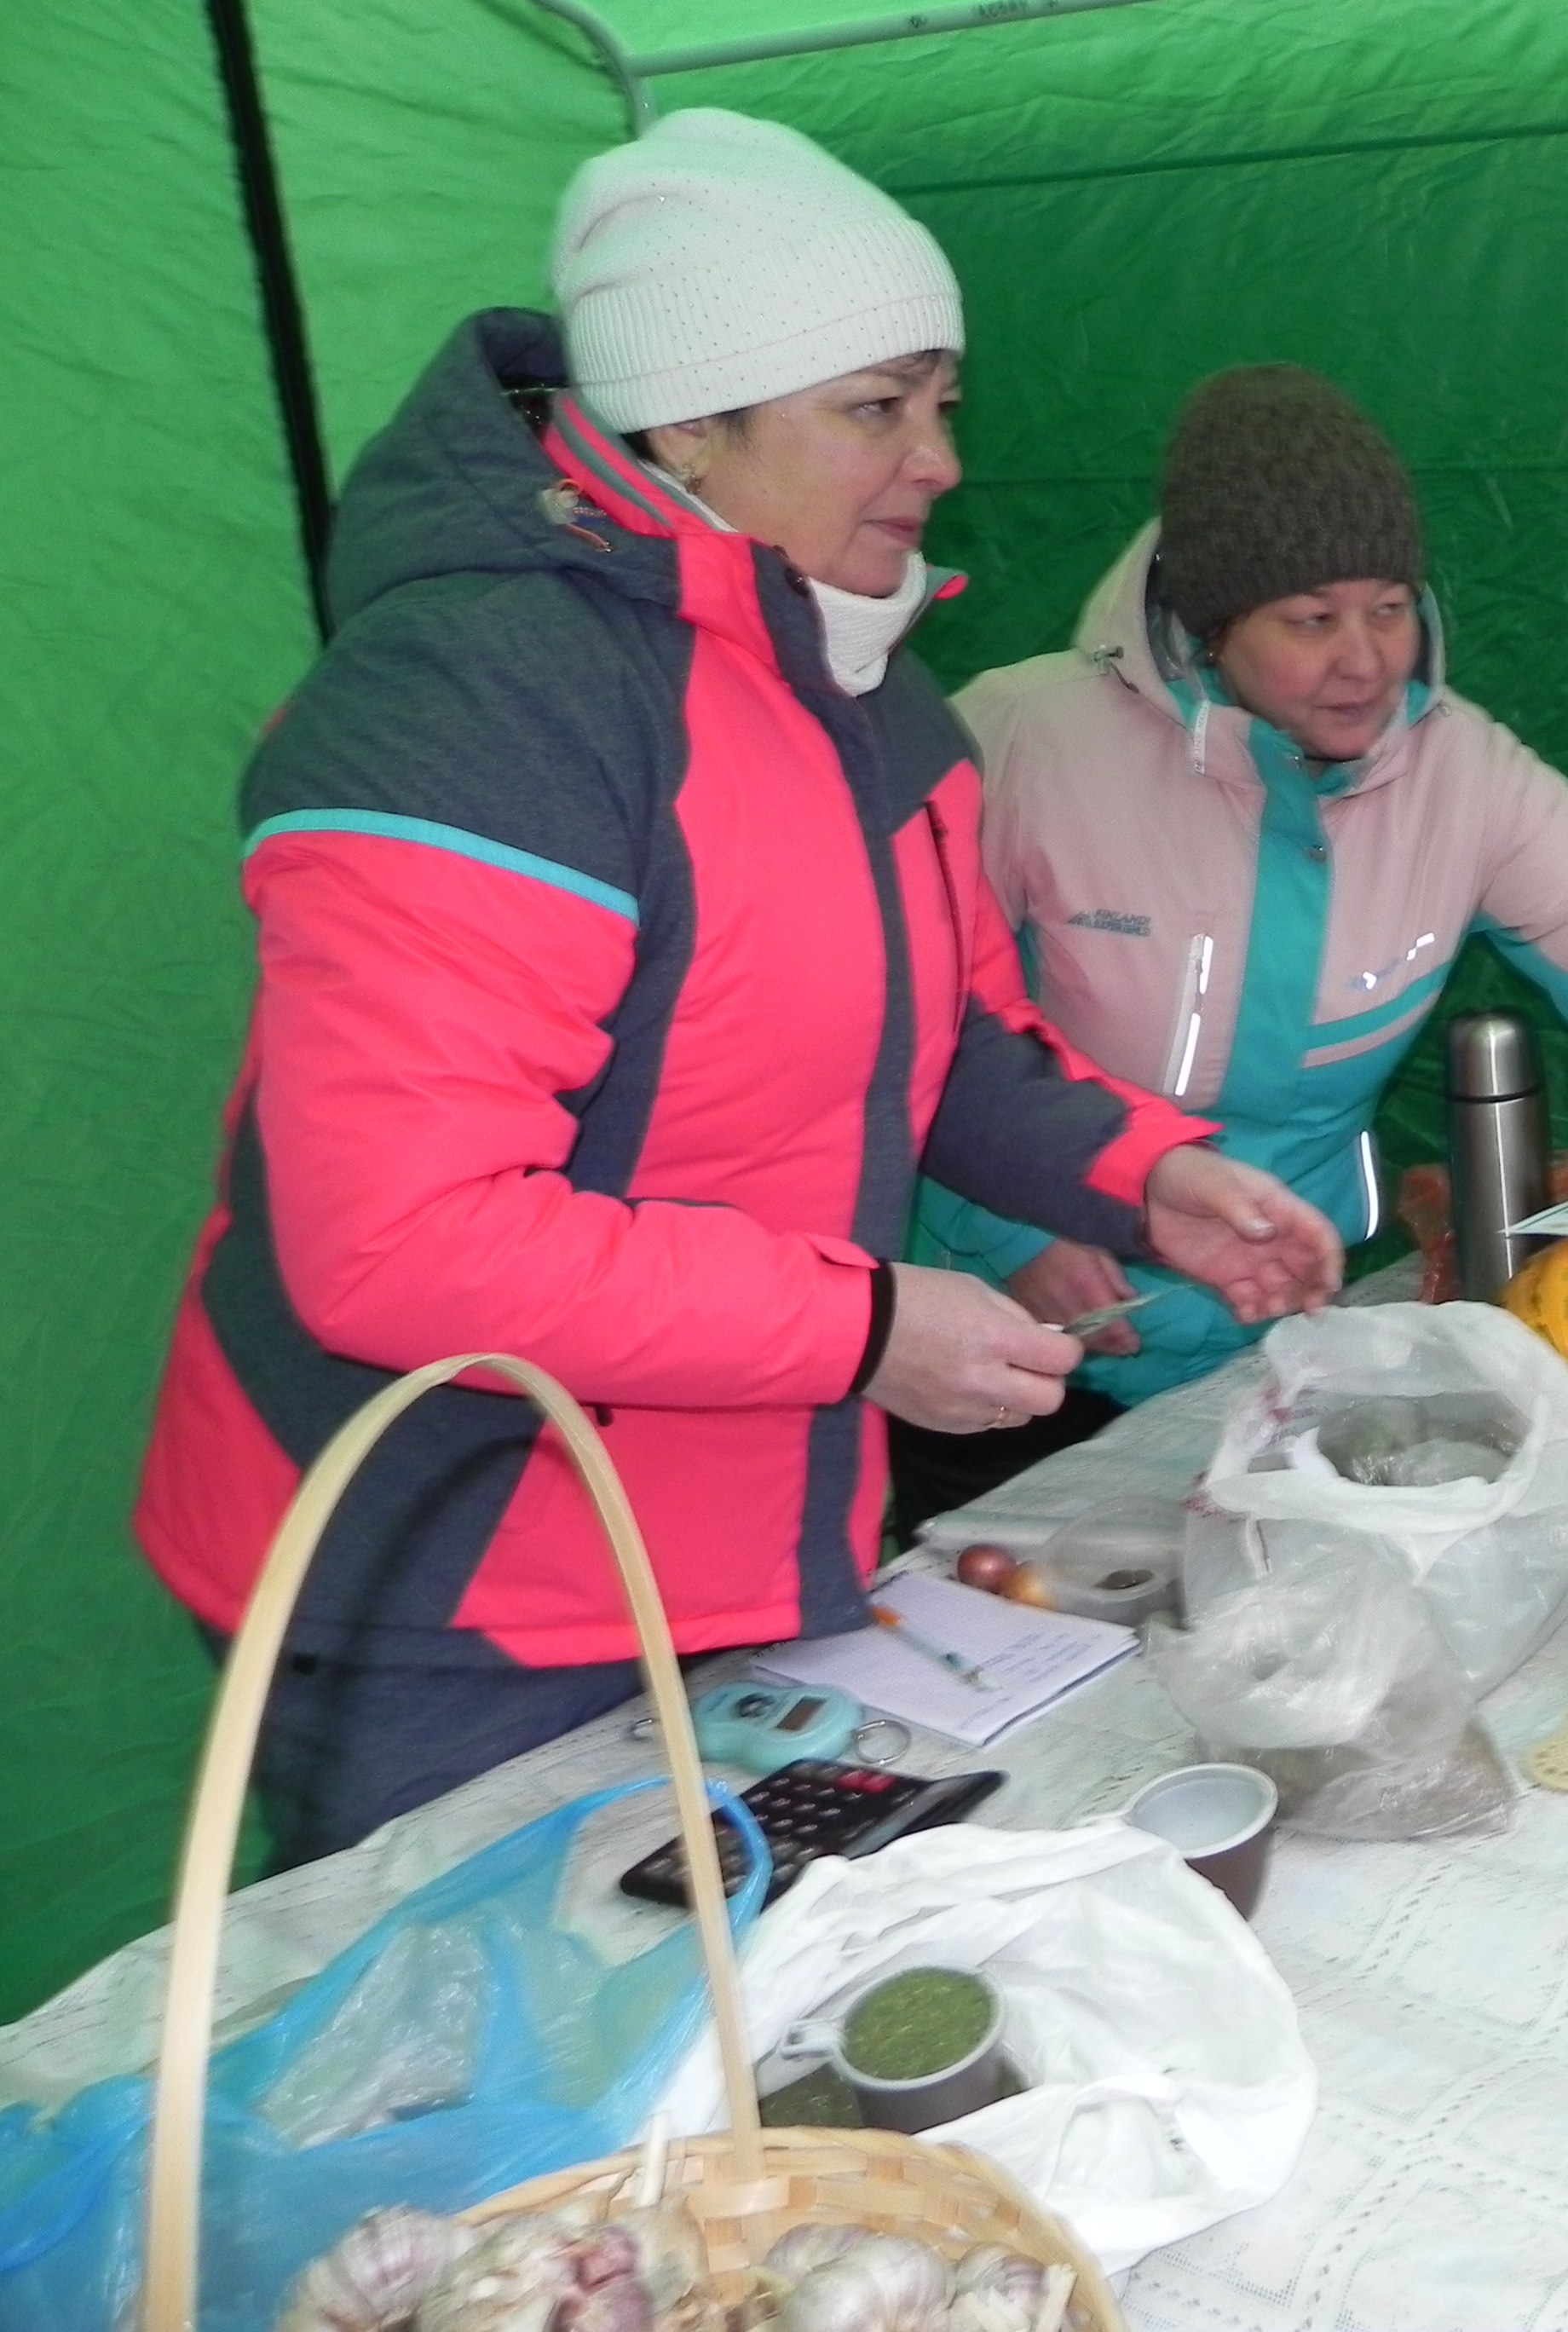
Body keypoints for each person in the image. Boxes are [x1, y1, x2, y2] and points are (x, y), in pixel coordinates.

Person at [134, 110, 1340, 1866]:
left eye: (942, 402)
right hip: (438, 1579)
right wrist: (863, 1329)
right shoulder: (475, 700)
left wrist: (1146, 1176)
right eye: (876, 408)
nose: (937, 459)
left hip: (729, 1529)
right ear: (688, 422)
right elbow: (396, 1240)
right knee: (507, 2023)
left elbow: (943, 1043)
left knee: (723, 1992)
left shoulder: (867, 684)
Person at [902, 365, 1568, 1523]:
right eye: (1312, 620)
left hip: (1268, 1349)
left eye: (1390, 607)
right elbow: (897, 1016)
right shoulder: (1022, 741)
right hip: (1007, 1349)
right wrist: (1007, 1228)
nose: (1366, 660)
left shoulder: (1463, 773)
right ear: (1211, 622)